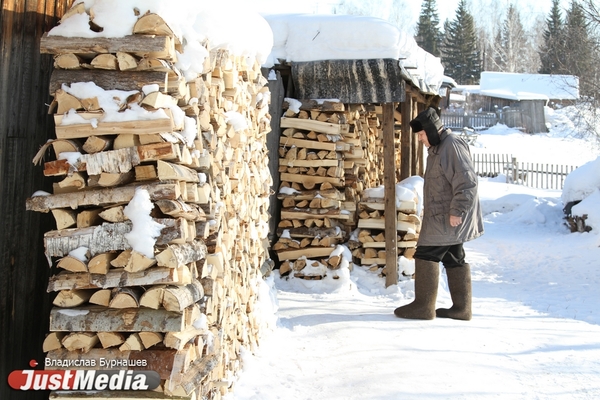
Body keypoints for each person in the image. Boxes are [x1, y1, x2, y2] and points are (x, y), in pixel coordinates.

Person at [394, 107, 484, 321]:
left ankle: (423, 307)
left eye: (422, 134)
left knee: (426, 254)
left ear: (431, 130)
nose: (420, 139)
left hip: (448, 215)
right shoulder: (439, 148)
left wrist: (457, 210)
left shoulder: (451, 146)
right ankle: (462, 309)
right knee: (454, 256)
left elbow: (467, 182)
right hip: (441, 215)